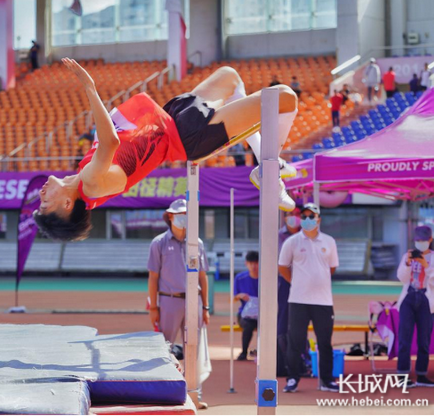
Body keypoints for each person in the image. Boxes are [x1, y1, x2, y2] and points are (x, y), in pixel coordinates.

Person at [34, 58, 299, 242]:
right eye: (46, 202)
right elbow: (110, 142)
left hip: (172, 117)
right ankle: (270, 169)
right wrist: (90, 88)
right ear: (68, 204)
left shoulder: (83, 175)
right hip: (187, 137)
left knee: (229, 76)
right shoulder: (91, 184)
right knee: (285, 97)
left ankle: (265, 161)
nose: (42, 193)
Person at [147, 198, 211, 409]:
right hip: (169, 300)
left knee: (193, 348)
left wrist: (205, 307)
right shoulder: (159, 243)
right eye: (179, 214)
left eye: (186, 214)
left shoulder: (197, 243)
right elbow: (153, 277)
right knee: (164, 348)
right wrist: (154, 307)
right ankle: (162, 391)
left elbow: (203, 276)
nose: (183, 218)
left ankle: (193, 394)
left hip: (194, 301)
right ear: (170, 217)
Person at [279, 203, 339, 393]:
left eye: (311, 217)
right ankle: (293, 379)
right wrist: (296, 281)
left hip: (323, 301)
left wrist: (317, 280)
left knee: (325, 342)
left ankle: (327, 380)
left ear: (318, 219)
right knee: (295, 341)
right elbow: (282, 267)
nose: (307, 220)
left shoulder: (329, 241)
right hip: (298, 300)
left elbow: (332, 267)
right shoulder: (292, 242)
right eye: (304, 217)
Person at [396, 225, 434, 387]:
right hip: (409, 297)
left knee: (424, 339)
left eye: (424, 240)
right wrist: (407, 263)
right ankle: (403, 375)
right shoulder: (408, 255)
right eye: (418, 240)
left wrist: (426, 265)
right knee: (404, 338)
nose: (421, 243)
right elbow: (401, 278)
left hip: (426, 298)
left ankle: (421, 374)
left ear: (430, 240)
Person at [277, 207, 301, 377]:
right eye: (289, 215)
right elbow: (281, 263)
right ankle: (283, 361)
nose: (292, 218)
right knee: (283, 321)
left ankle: (301, 360)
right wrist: (292, 280)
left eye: (295, 215)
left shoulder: (308, 235)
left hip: (306, 283)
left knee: (301, 322)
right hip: (285, 282)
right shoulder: (279, 236)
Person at [234, 251, 259, 361]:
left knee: (269, 326)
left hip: (262, 315)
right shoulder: (240, 278)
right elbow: (233, 298)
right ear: (246, 264)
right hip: (245, 315)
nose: (253, 266)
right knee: (248, 326)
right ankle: (244, 352)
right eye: (251, 263)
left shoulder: (266, 279)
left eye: (256, 263)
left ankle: (264, 351)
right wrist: (239, 296)